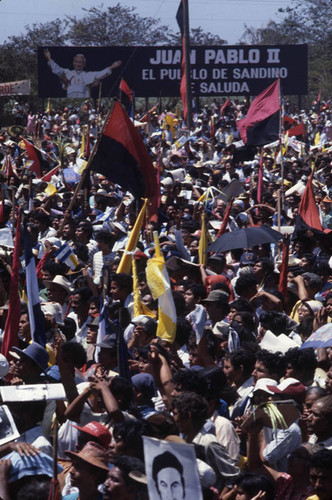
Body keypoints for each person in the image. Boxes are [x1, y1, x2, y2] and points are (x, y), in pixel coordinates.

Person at [43, 49, 122, 98]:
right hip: (70, 96)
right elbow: (57, 69)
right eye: (76, 62)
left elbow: (100, 74)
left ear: (84, 64)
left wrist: (112, 67)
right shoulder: (67, 72)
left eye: (80, 62)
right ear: (73, 63)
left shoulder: (87, 74)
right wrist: (49, 58)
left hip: (83, 95)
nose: (78, 64)